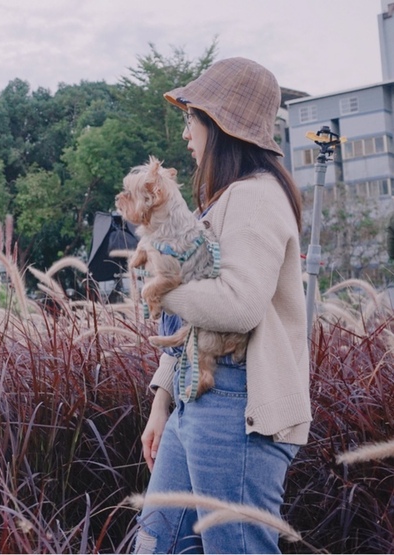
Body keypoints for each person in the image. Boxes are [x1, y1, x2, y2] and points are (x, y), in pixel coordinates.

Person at [133, 57, 312, 554]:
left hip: (239, 402)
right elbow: (196, 323)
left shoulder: (256, 198)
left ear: (221, 125)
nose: (186, 132)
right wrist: (161, 400)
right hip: (200, 394)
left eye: (192, 118)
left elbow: (237, 306)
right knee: (157, 544)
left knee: (234, 548)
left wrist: (161, 288)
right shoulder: (226, 199)